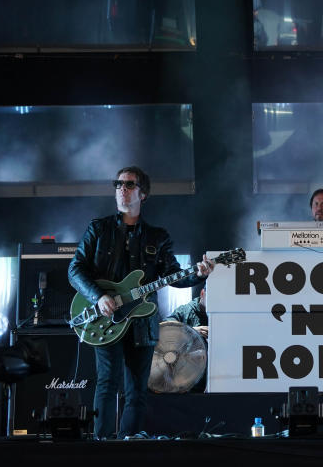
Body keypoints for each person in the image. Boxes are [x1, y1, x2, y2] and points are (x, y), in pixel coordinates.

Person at [68, 165, 215, 439]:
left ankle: (130, 445)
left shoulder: (157, 237)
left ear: (143, 194)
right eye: (118, 184)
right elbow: (75, 269)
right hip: (107, 317)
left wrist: (198, 275)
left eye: (129, 185)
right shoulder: (98, 229)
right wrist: (98, 297)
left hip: (142, 322)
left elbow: (173, 276)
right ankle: (102, 443)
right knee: (107, 383)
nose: (122, 189)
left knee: (137, 390)